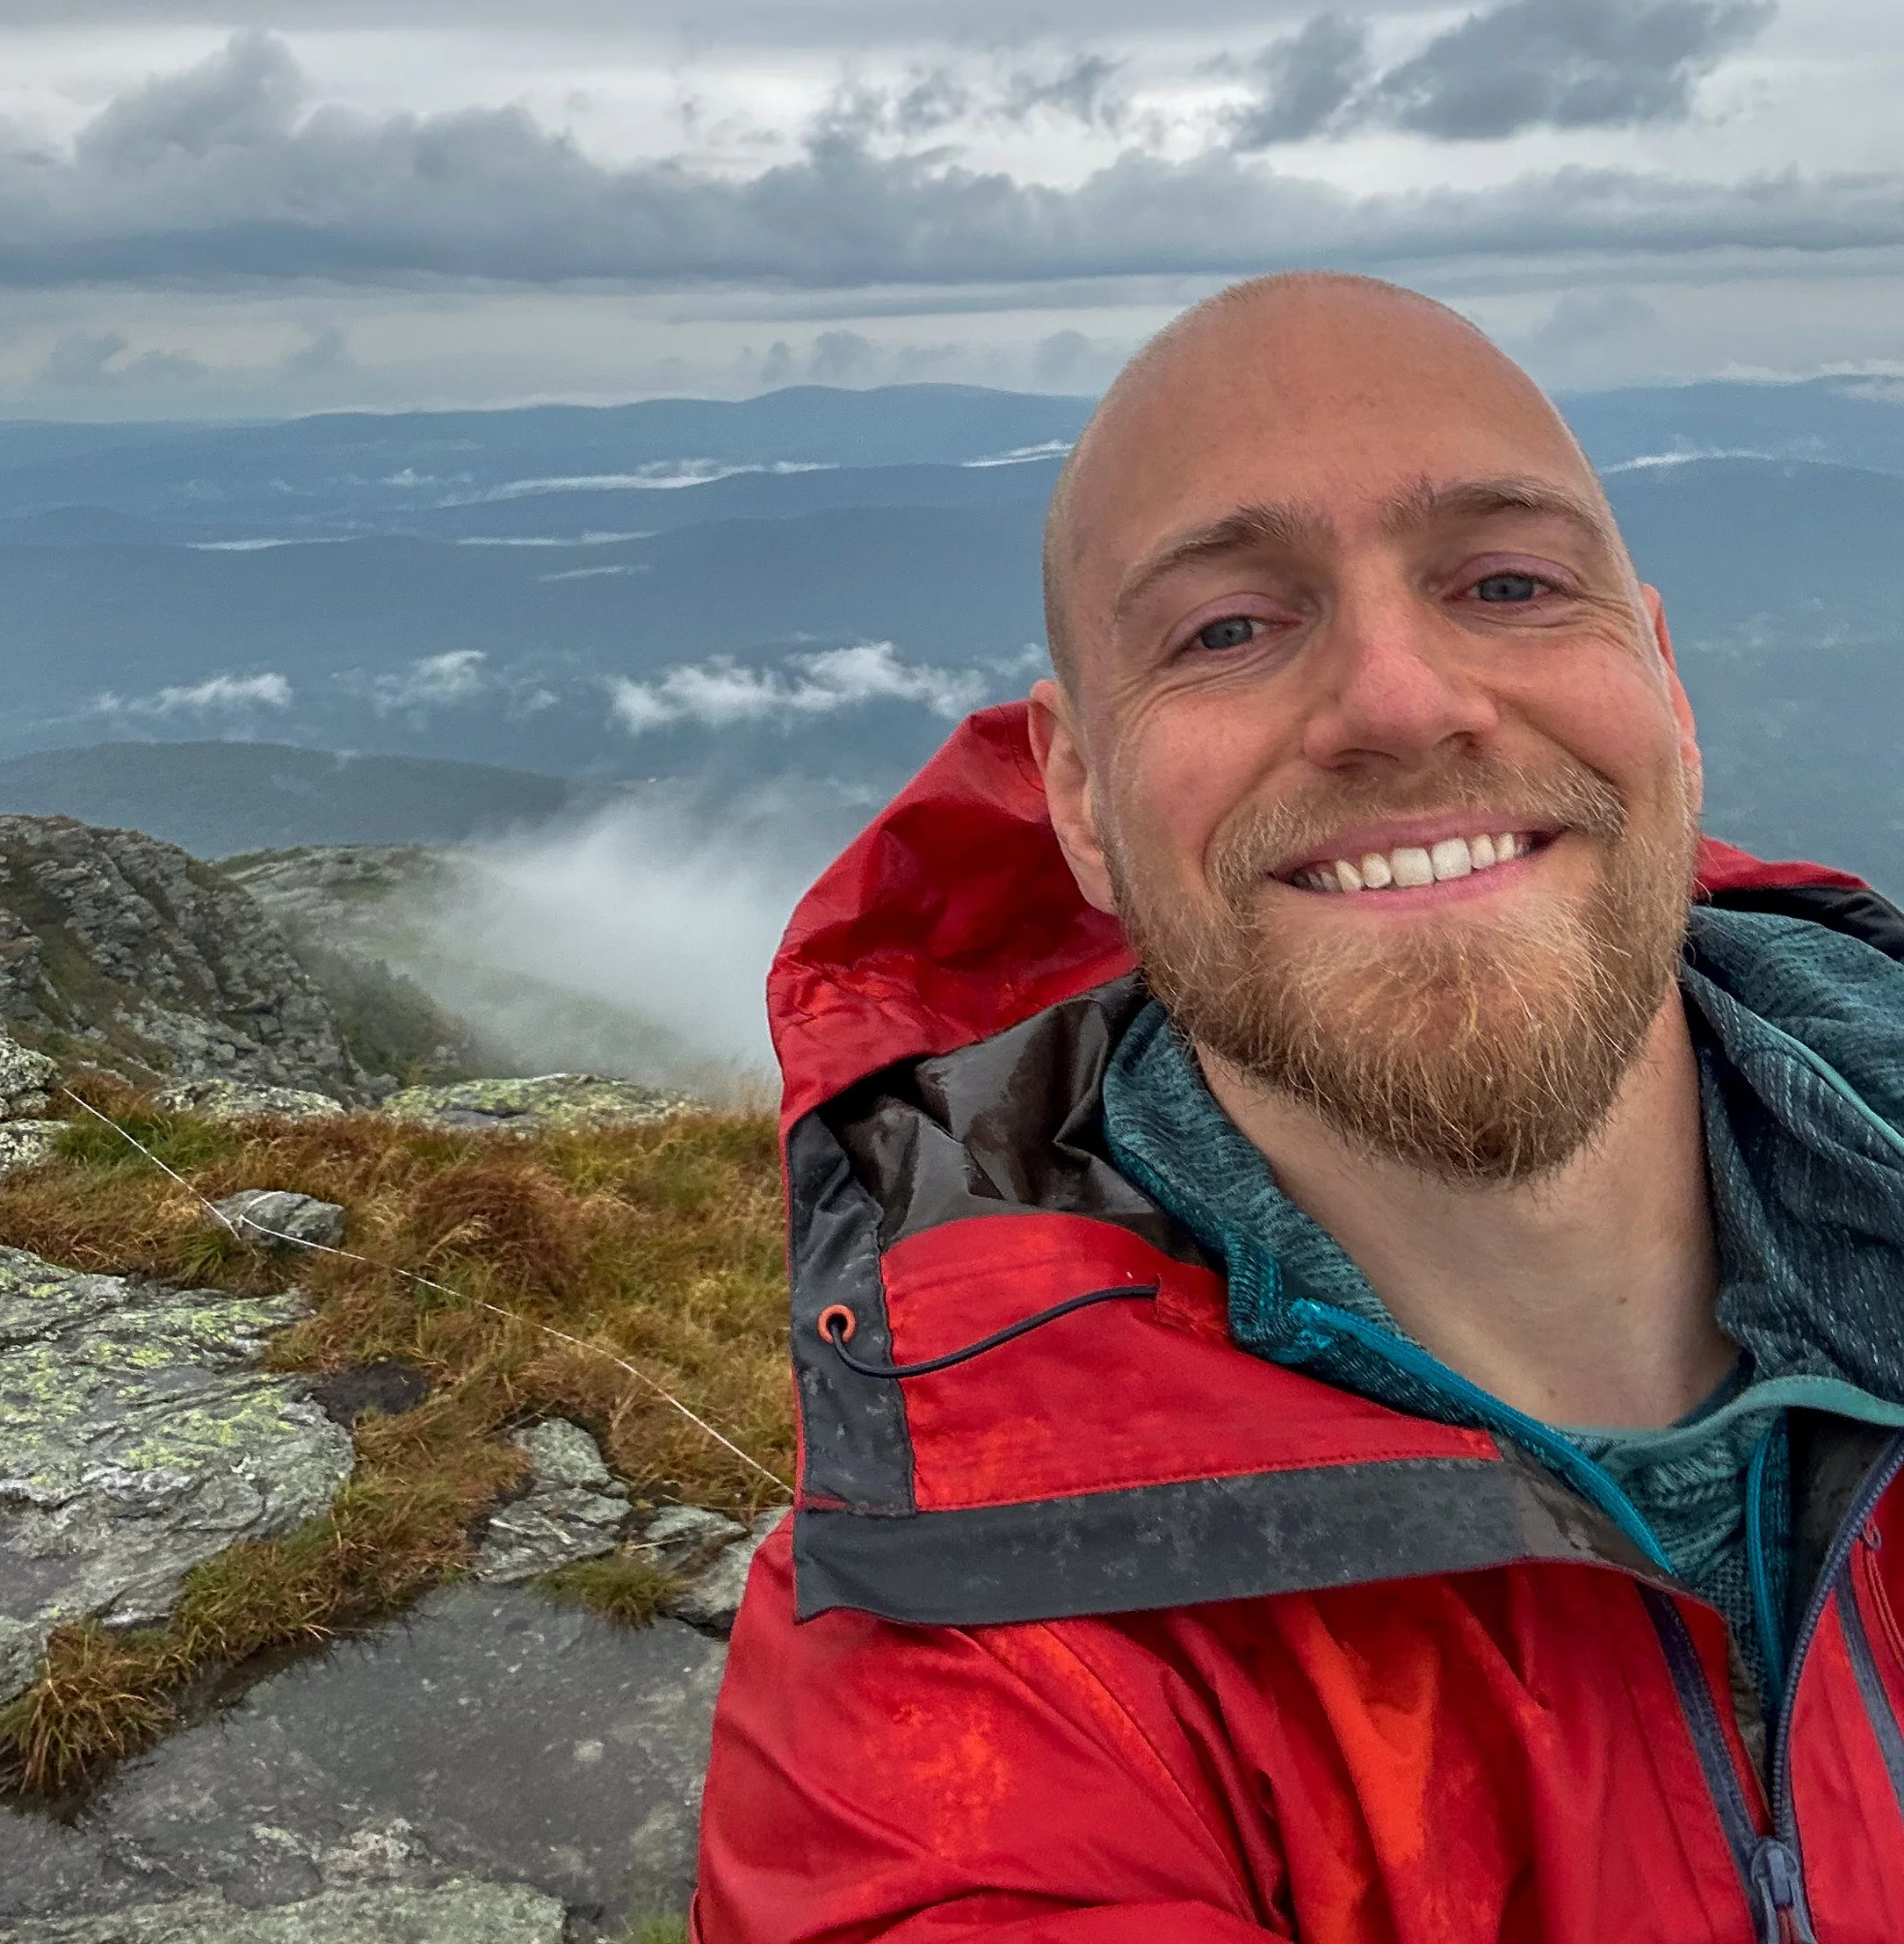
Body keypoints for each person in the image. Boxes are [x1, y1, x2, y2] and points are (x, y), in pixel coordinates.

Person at [693, 272, 1904, 1943]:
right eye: (1228, 628)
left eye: (1506, 580)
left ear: (1665, 687)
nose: (1402, 701)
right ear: (1080, 801)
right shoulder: (970, 1648)